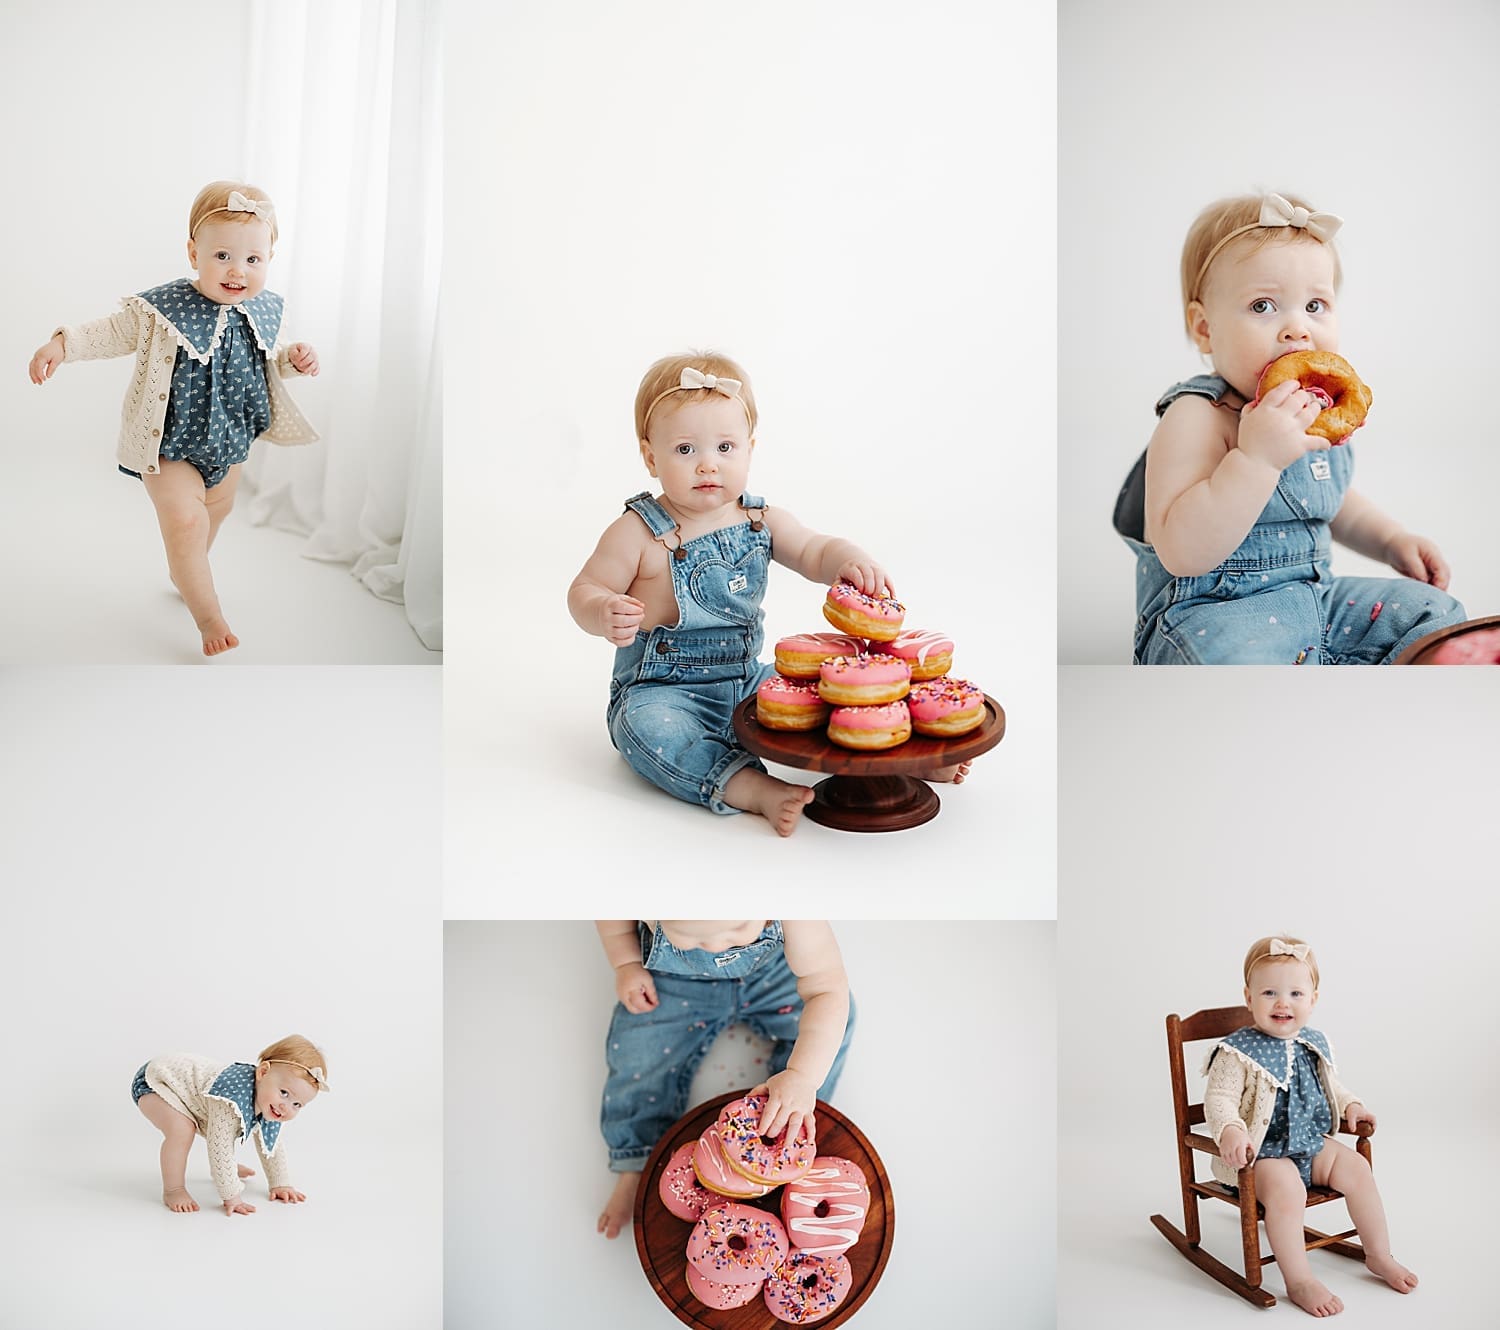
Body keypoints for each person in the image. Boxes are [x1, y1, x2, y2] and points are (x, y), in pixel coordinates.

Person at [568, 351, 965, 835]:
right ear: (651, 456)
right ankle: (745, 786)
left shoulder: (761, 520)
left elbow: (814, 550)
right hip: (664, 692)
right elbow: (584, 589)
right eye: (686, 450)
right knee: (644, 731)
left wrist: (846, 559)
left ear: (750, 449)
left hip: (747, 680)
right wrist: (601, 609)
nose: (707, 465)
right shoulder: (638, 532)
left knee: (830, 690)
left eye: (726, 447)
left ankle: (895, 762)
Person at [1113, 192, 1464, 663]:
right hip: (1215, 613)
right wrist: (1254, 459)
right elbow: (1181, 551)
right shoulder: (1198, 415)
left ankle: (1375, 694)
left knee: (1434, 614)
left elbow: (1330, 501)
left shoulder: (1315, 409)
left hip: (1317, 600)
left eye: (1315, 306)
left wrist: (1391, 541)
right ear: (1204, 328)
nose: (1297, 329)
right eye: (1263, 306)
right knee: (1226, 661)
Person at [28, 180, 320, 655]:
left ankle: (186, 568)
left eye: (253, 260)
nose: (237, 271)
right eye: (222, 255)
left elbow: (271, 360)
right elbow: (110, 332)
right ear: (193, 252)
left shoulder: (264, 310)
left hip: (228, 444)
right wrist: (63, 344)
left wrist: (295, 359)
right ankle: (209, 616)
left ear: (269, 258)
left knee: (214, 515)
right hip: (168, 445)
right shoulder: (163, 310)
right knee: (186, 522)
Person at [594, 919, 853, 1239]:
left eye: (738, 929)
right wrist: (627, 963)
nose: (718, 946)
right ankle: (637, 1159)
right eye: (690, 937)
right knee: (639, 1053)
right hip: (673, 984)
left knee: (830, 1031)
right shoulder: (634, 886)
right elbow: (610, 913)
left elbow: (826, 987)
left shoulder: (792, 906)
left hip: (771, 978)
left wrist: (802, 1076)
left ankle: (793, 1131)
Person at [1203, 936, 1417, 1316]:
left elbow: (1332, 1086)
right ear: (1249, 998)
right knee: (1288, 1190)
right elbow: (1219, 1099)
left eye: (1296, 993)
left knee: (1357, 1168)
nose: (1283, 1002)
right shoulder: (1237, 1051)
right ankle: (1299, 1279)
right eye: (1269, 992)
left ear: (1313, 1000)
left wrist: (1351, 1104)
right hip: (1260, 1155)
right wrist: (1232, 1130)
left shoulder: (1313, 1043)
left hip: (1309, 1145)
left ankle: (1378, 1254)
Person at [132, 1034, 330, 1216]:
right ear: (262, 1072)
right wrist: (231, 1195)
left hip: (186, 1090)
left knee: (215, 1132)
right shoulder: (229, 1097)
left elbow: (272, 1144)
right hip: (156, 1081)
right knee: (183, 1129)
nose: (286, 1106)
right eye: (284, 1093)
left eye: (297, 1104)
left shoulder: (272, 1103)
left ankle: (223, 1172)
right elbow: (219, 1147)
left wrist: (280, 1184)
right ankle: (173, 1190)